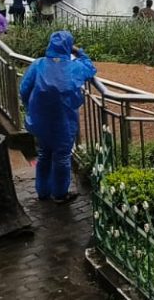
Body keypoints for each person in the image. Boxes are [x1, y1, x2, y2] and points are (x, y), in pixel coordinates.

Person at [20, 30, 104, 203]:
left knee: (44, 154)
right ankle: (59, 194)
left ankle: (43, 192)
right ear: (68, 46)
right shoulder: (74, 67)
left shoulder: (38, 64)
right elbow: (90, 67)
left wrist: (31, 106)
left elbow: (24, 89)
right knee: (62, 156)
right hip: (63, 119)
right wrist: (79, 52)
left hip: (40, 119)